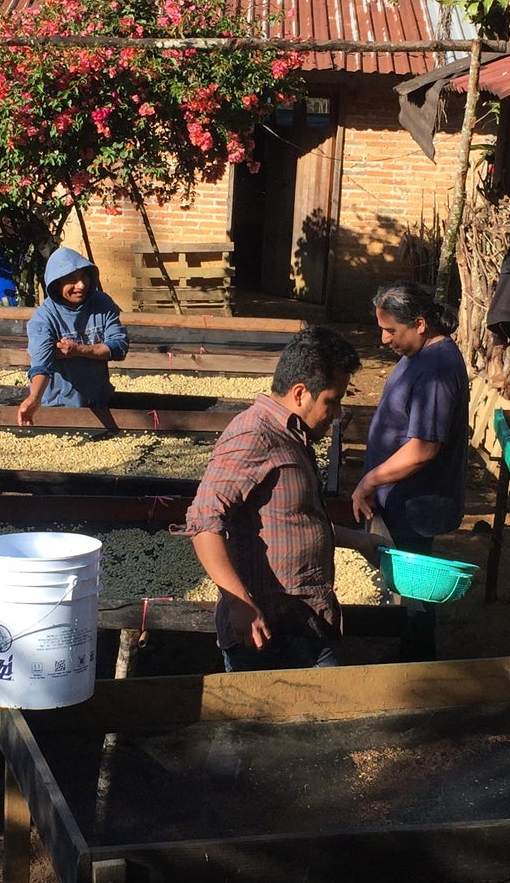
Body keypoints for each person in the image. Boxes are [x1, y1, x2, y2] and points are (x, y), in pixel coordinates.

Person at [184, 326, 377, 671]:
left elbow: (294, 517)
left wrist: (357, 540)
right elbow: (203, 522)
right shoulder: (253, 436)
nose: (336, 414)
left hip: (310, 622)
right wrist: (239, 601)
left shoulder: (294, 435)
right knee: (266, 725)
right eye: (332, 401)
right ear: (301, 393)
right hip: (266, 635)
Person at [351, 282, 469, 661]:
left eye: (391, 330)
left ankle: (417, 666)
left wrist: (370, 479)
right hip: (400, 498)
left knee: (415, 595)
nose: (384, 339)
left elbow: (422, 449)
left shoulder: (437, 369)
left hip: (416, 504)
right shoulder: (419, 355)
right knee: (403, 587)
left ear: (419, 323)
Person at [16, 245, 129, 425]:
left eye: (84, 276)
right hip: (58, 408)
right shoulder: (44, 318)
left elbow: (118, 347)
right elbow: (41, 365)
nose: (81, 285)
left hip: (100, 403)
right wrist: (34, 398)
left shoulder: (102, 304)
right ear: (56, 283)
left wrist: (80, 350)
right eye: (72, 279)